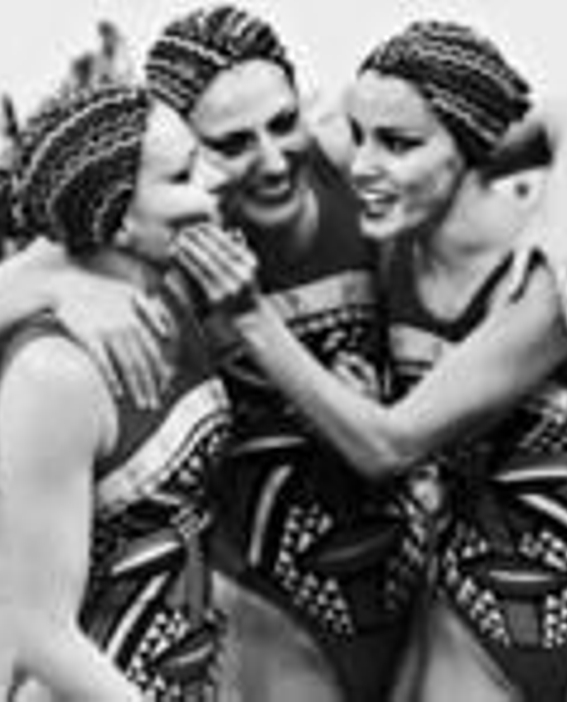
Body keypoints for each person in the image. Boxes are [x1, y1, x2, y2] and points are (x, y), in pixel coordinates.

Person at [177, 19, 567, 702]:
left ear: (477, 150)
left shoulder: (547, 280)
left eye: (396, 145)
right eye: (361, 135)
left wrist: (564, 201)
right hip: (458, 626)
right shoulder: (399, 241)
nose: (363, 163)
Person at [145, 7, 421, 699]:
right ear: (184, 150)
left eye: (282, 122)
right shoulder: (166, 246)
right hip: (265, 607)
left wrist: (561, 212)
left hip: (414, 586)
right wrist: (59, 283)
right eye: (232, 144)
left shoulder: (353, 171)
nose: (271, 160)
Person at [0, 83, 232, 701]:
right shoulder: (56, 373)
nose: (212, 187)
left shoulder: (173, 295)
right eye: (182, 176)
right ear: (119, 216)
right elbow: (45, 635)